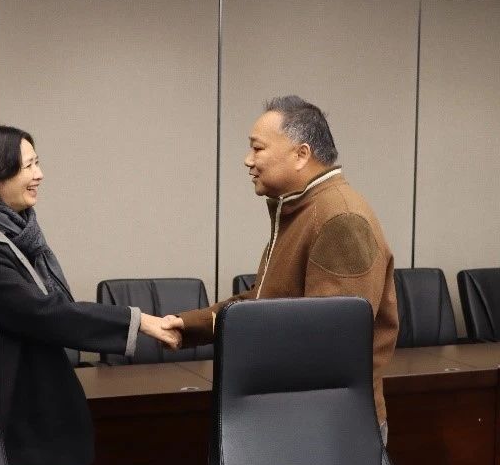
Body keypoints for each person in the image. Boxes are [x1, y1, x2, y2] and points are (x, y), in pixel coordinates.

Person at [0, 125, 180, 465]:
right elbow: (43, 313)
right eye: (28, 166)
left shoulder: (12, 231)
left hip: (25, 409)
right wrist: (139, 322)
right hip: (2, 419)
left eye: (37, 162)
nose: (39, 174)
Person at [162, 95, 399, 441]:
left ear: (301, 154)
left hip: (328, 425)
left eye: (257, 148)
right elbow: (267, 303)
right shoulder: (305, 209)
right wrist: (187, 325)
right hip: (305, 416)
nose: (248, 160)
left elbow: (329, 344)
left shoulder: (340, 218)